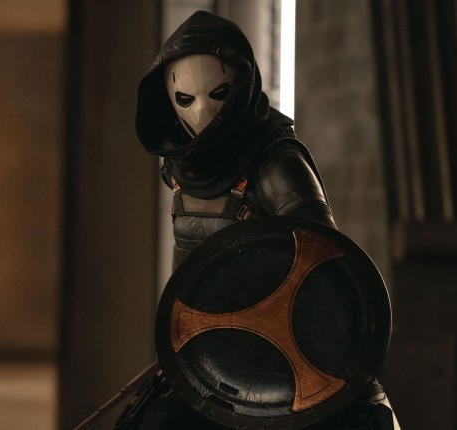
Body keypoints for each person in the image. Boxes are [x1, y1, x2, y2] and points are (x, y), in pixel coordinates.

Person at [129, 10, 400, 430]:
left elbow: (329, 275)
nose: (201, 112)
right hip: (207, 360)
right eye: (185, 99)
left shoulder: (278, 164)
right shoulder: (181, 167)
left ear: (240, 86)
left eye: (217, 93)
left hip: (284, 364)